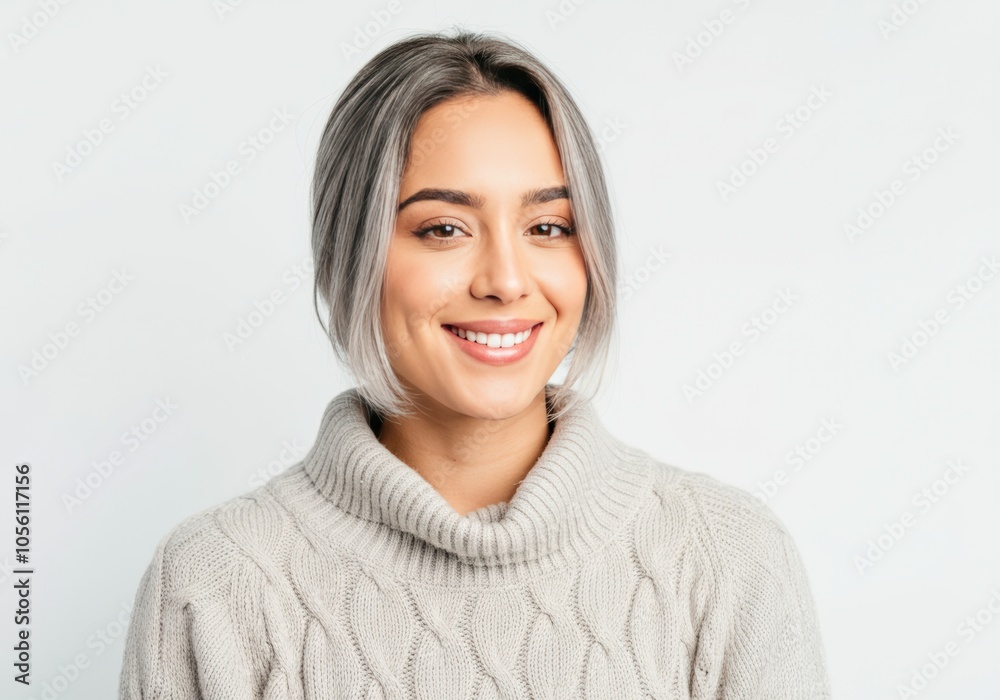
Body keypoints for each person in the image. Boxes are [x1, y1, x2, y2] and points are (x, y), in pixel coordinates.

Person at [119, 29, 832, 699]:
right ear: (349, 256)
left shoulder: (728, 560)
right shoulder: (214, 584)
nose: (506, 279)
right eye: (444, 229)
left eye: (548, 226)